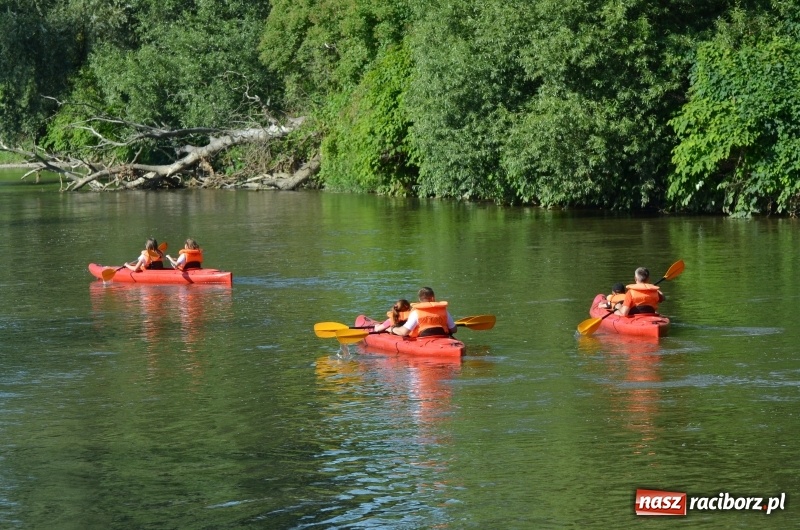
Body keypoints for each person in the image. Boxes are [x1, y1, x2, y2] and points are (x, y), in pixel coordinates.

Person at [387, 287, 457, 338]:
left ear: (420, 299)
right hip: (442, 338)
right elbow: (454, 330)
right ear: (433, 298)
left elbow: (404, 332)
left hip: (423, 340)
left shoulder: (416, 313)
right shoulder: (444, 311)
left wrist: (392, 329)